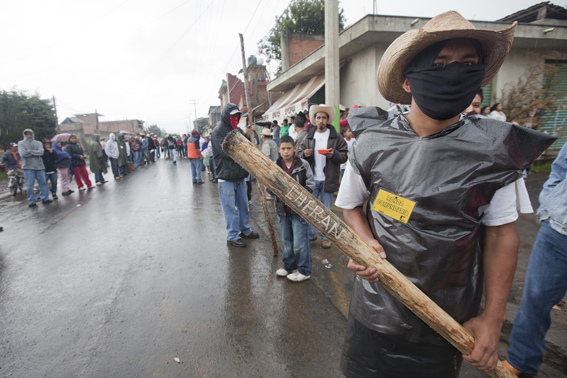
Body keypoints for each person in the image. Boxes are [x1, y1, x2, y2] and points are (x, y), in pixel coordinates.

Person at [336, 12, 554, 377]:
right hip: (372, 315)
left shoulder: (494, 150)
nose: (455, 73)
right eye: (440, 64)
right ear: (409, 81)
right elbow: (350, 207)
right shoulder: (372, 142)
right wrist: (364, 242)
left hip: (443, 323)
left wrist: (492, 317)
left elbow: (503, 236)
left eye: (468, 64)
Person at [504, 142, 567, 376]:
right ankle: (520, 362)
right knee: (535, 299)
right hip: (559, 228)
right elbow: (561, 168)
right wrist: (552, 200)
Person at [297, 104, 348, 249]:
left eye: (323, 118)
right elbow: (299, 155)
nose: (320, 120)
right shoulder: (309, 136)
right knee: (311, 208)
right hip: (312, 179)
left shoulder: (336, 136)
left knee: (326, 210)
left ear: (328, 120)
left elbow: (345, 155)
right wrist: (304, 155)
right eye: (318, 117)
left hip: (328, 179)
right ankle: (311, 234)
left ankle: (326, 237)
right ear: (314, 119)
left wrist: (335, 155)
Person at [211, 103, 260, 247]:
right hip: (226, 176)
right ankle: (232, 235)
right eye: (231, 116)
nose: (234, 119)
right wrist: (242, 148)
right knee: (230, 208)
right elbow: (225, 151)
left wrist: (250, 139)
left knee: (244, 205)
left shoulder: (238, 130)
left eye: (236, 116)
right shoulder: (218, 131)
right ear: (226, 116)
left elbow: (248, 146)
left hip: (240, 175)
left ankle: (245, 229)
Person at [272, 135, 315, 282]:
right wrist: (273, 190)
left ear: (294, 148)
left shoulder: (303, 164)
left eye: (289, 148)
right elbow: (269, 185)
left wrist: (302, 196)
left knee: (300, 242)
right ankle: (288, 266)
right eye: (283, 149)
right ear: (279, 150)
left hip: (298, 211)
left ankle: (304, 270)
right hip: (282, 210)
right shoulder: (275, 166)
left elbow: (310, 182)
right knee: (287, 240)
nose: (286, 152)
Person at [17, 129, 51, 206]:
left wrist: (29, 151)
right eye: (27, 134)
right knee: (29, 185)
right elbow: (23, 154)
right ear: (24, 135)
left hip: (39, 166)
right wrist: (35, 152)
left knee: (43, 183)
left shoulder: (38, 143)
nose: (29, 136)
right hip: (27, 167)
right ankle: (32, 200)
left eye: (30, 134)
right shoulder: (21, 143)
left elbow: (41, 152)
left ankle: (45, 198)